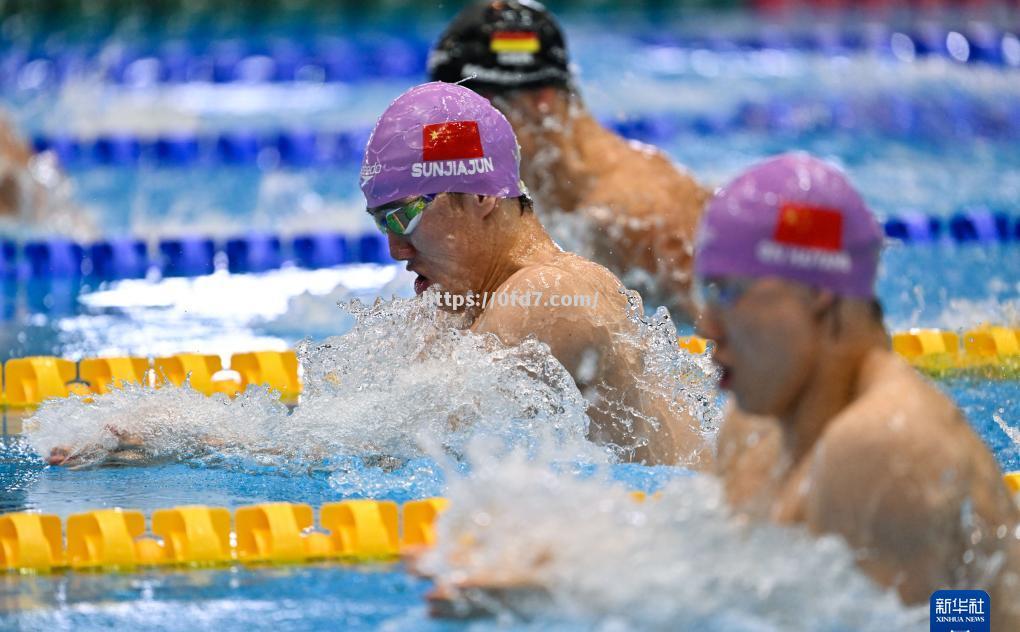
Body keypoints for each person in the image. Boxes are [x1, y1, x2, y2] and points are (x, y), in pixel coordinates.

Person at [697, 153, 1019, 628]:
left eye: (728, 292)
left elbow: (948, 623)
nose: (707, 326)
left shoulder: (885, 443)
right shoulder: (757, 427)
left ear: (816, 290)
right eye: (706, 292)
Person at [362, 81, 710, 467]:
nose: (397, 249)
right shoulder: (481, 298)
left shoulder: (546, 294)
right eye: (383, 223)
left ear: (480, 196)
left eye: (405, 216)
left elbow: (400, 449)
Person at [429, 0, 709, 319]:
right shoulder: (534, 182)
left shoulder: (639, 215)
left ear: (541, 101)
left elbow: (715, 345)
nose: (463, 138)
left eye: (476, 117)